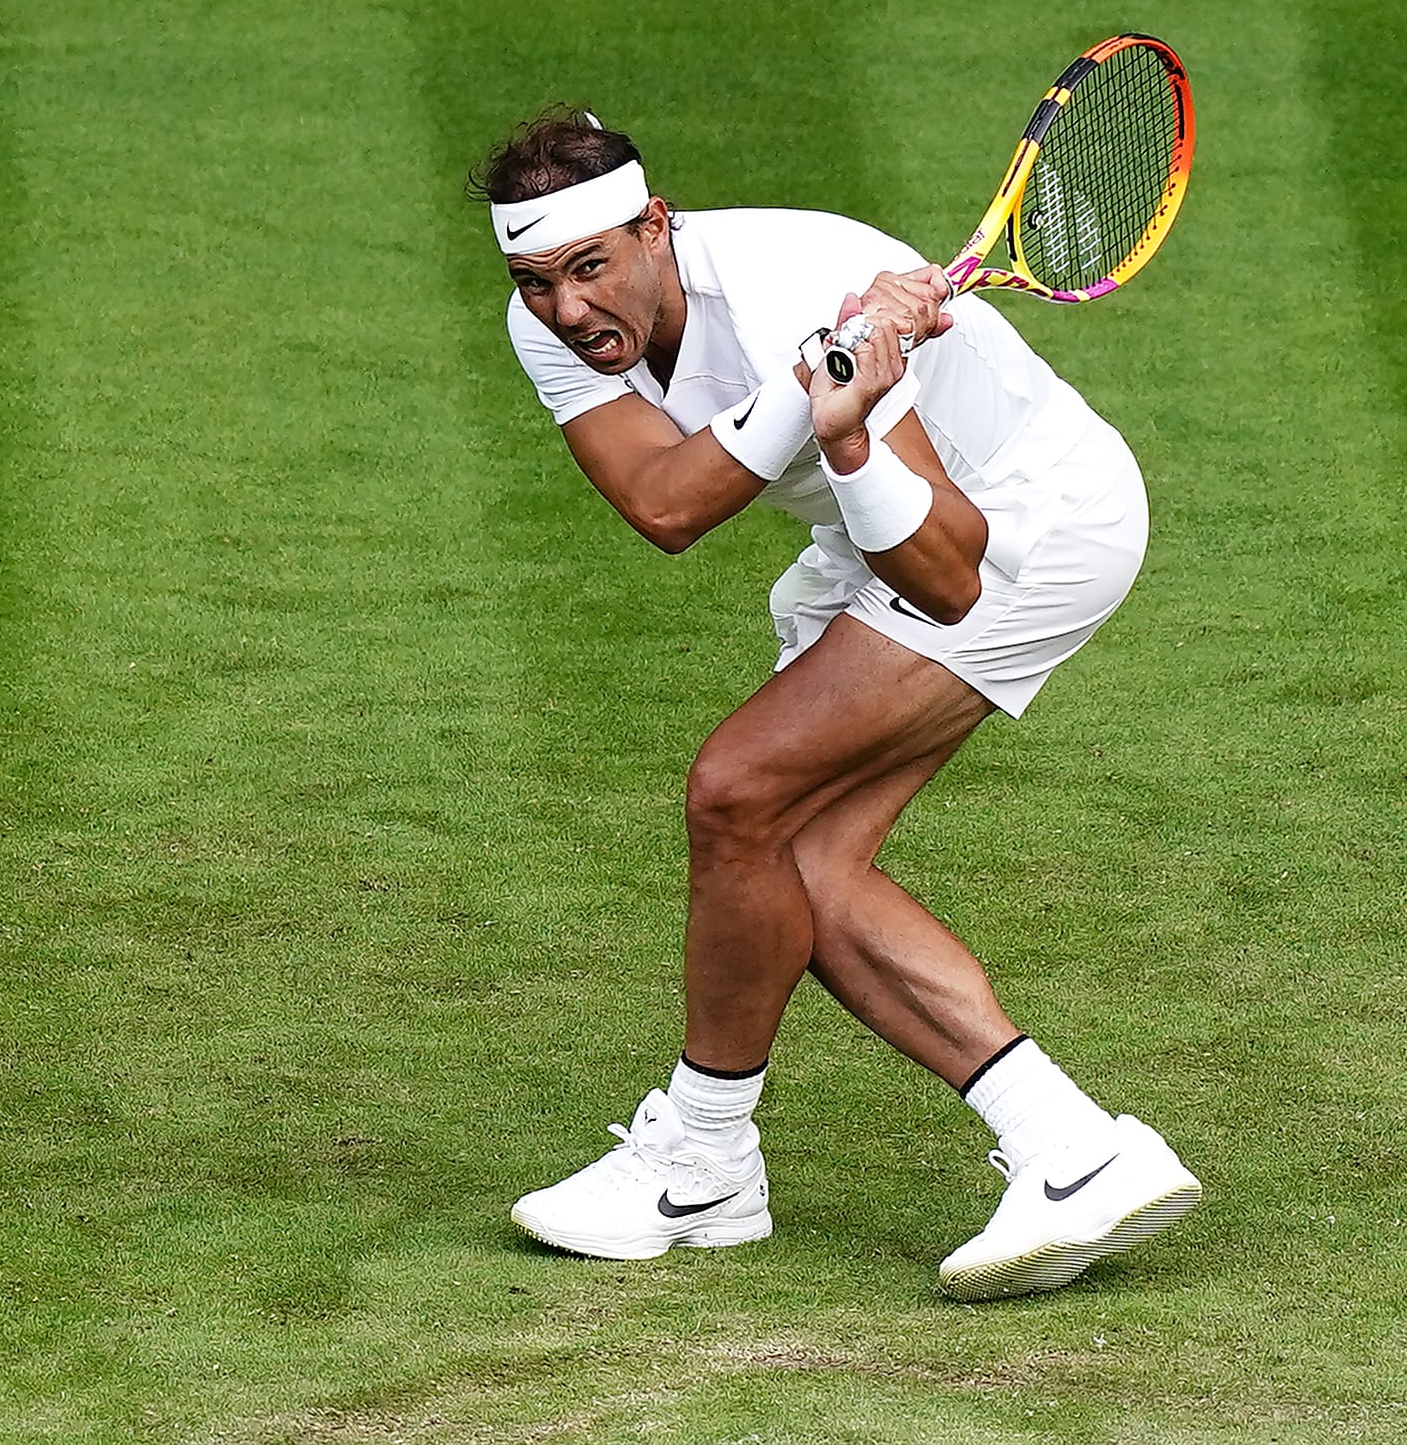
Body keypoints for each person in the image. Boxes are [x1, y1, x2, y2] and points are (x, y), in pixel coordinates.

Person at [474, 106, 1198, 1300]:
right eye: (534, 280)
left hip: (1025, 524)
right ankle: (1062, 1152)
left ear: (656, 227)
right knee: (787, 856)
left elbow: (950, 574)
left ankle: (712, 1161)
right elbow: (662, 505)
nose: (564, 308)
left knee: (738, 792)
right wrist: (813, 384)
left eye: (590, 267)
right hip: (874, 544)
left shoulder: (786, 280)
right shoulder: (560, 321)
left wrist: (848, 423)